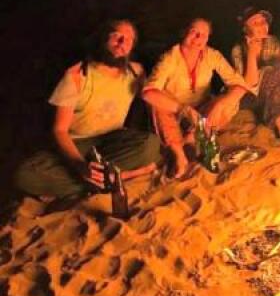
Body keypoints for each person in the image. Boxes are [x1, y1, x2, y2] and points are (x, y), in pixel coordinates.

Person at [14, 20, 161, 198]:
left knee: (150, 144)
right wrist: (80, 166)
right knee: (25, 175)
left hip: (111, 139)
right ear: (104, 39)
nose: (122, 43)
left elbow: (152, 100)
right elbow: (59, 130)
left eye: (129, 40)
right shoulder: (77, 75)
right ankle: (119, 177)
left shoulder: (135, 72)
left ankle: (98, 181)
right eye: (116, 36)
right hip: (78, 143)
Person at [142, 18, 251, 177]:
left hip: (202, 114)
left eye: (204, 35)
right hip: (175, 115)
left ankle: (191, 139)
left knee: (229, 102)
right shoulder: (170, 57)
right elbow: (148, 92)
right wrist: (184, 110)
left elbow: (240, 86)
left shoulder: (211, 55)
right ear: (184, 33)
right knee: (157, 102)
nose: (198, 38)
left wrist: (220, 105)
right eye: (194, 32)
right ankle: (180, 156)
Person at [231, 7, 280, 141]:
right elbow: (249, 84)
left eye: (264, 21)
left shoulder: (272, 42)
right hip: (251, 96)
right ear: (245, 28)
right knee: (270, 71)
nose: (262, 26)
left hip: (276, 93)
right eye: (256, 23)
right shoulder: (238, 50)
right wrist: (252, 54)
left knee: (279, 67)